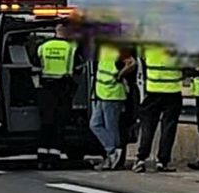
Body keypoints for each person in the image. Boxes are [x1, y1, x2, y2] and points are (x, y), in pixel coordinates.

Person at [134, 41, 185, 172]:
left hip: (153, 92)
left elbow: (140, 59)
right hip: (173, 92)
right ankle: (162, 161)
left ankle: (141, 158)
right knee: (168, 129)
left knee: (148, 126)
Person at [33, 21, 78, 164]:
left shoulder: (43, 47)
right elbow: (77, 68)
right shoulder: (71, 48)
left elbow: (34, 67)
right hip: (63, 88)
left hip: (46, 87)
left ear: (55, 31)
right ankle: (54, 156)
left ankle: (42, 156)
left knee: (45, 122)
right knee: (59, 123)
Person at [89, 40, 134, 169]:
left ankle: (113, 155)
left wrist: (120, 75)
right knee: (95, 124)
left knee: (111, 127)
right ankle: (113, 151)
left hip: (113, 95)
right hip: (102, 94)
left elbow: (132, 63)